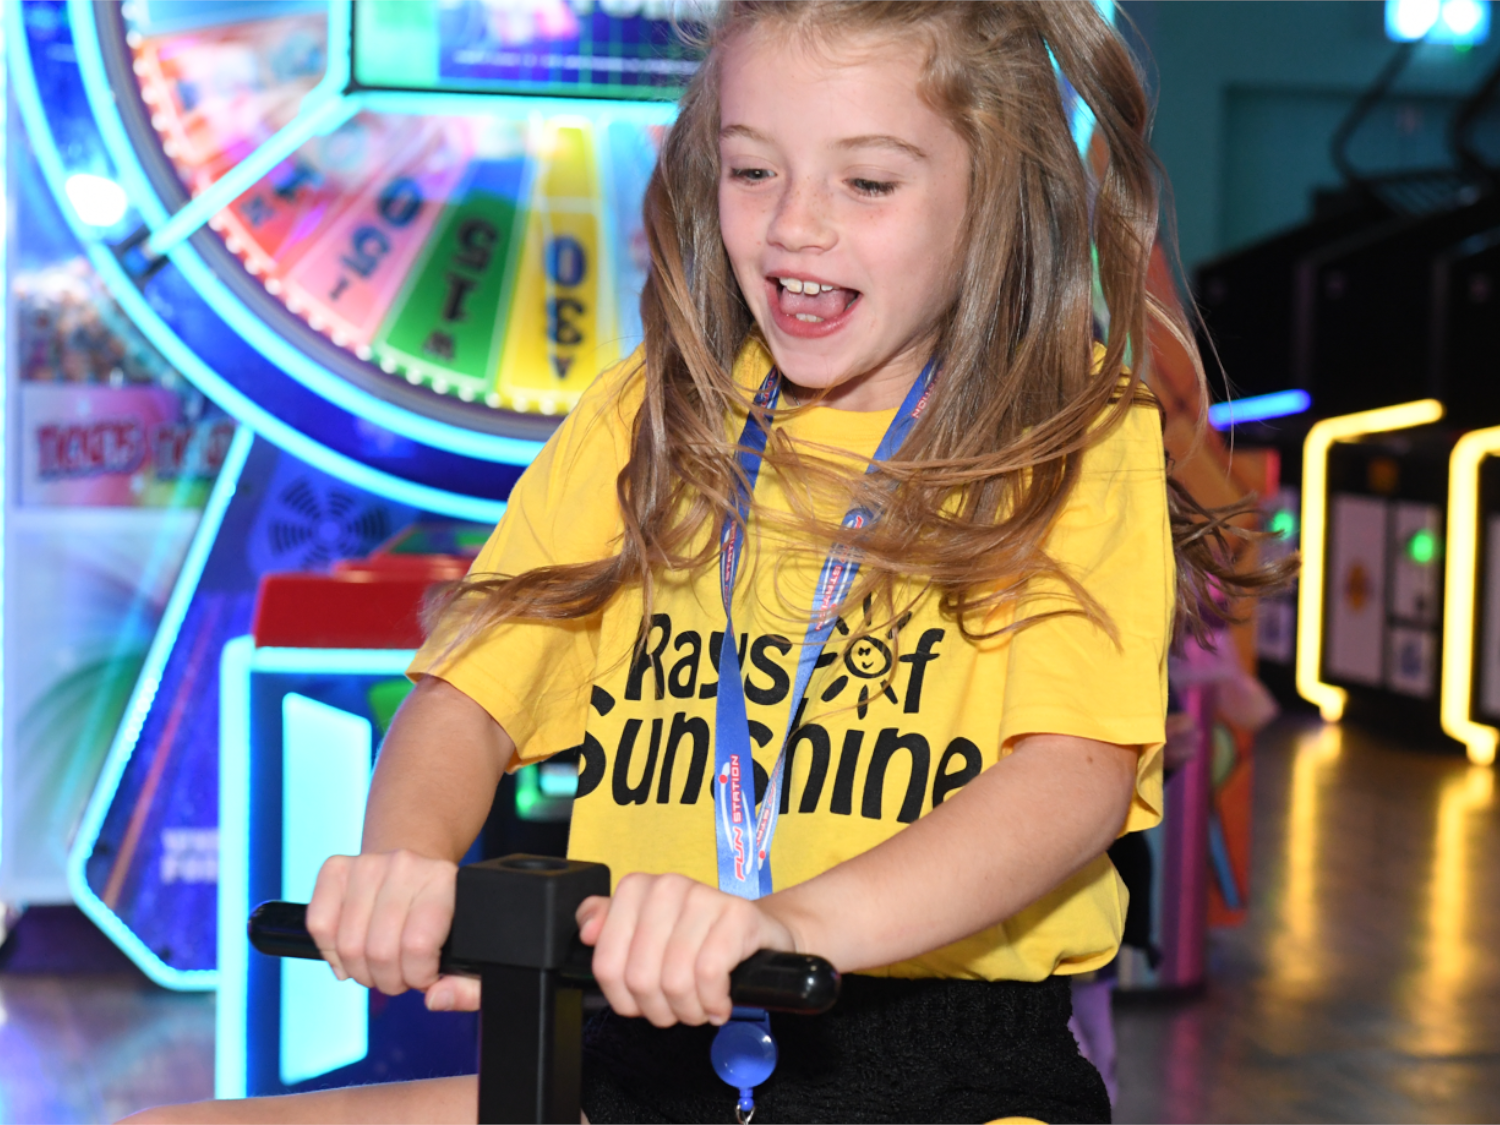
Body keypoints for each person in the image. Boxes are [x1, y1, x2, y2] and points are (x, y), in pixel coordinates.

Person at [129, 3, 1275, 1122]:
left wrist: (788, 926)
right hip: (642, 1054)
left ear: (996, 198)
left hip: (941, 1065)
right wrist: (404, 859)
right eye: (752, 171)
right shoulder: (648, 417)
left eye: (868, 182)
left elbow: (1070, 780)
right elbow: (468, 688)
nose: (795, 228)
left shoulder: (1077, 435)